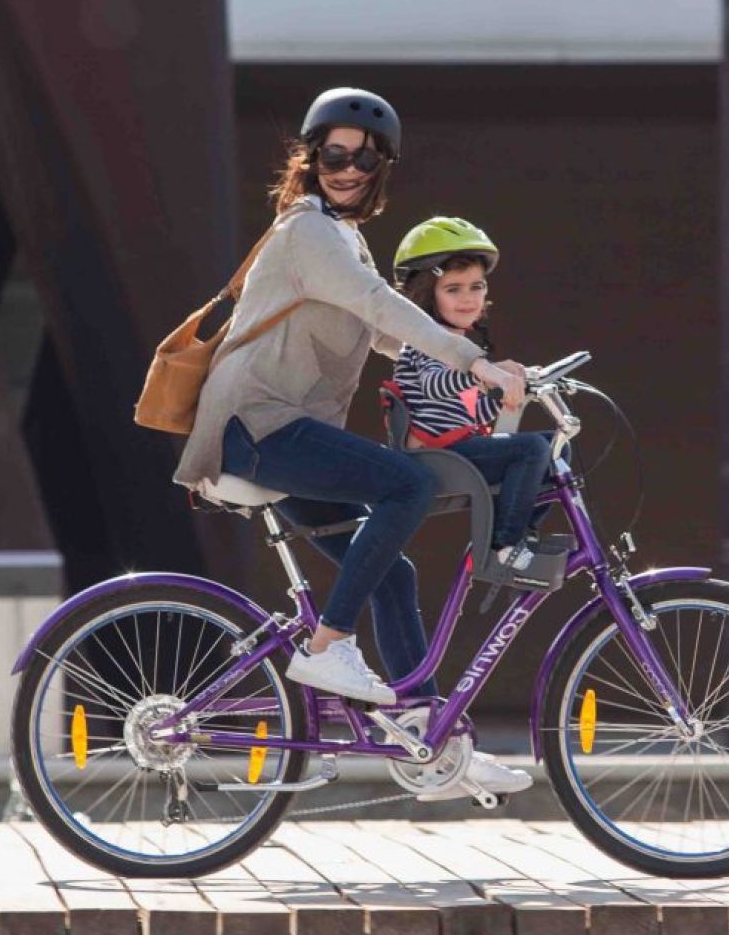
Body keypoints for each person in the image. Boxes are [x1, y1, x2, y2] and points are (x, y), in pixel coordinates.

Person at [171, 88, 532, 799]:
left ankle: (430, 738)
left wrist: (488, 368)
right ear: (311, 157)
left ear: (380, 168)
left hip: (287, 434)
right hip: (256, 425)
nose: (348, 166)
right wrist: (469, 358)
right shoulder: (305, 229)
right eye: (334, 152)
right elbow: (379, 304)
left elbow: (385, 335)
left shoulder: (343, 238)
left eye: (364, 158)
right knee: (407, 483)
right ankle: (328, 645)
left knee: (392, 573)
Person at [388, 217, 565, 587]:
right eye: (453, 289)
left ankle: (519, 532)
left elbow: (469, 416)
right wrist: (483, 373)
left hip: (457, 445)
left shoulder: (463, 346)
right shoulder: (426, 340)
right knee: (532, 448)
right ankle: (505, 545)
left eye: (476, 286)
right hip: (434, 456)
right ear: (425, 292)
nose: (468, 298)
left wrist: (514, 392)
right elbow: (435, 385)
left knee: (555, 448)